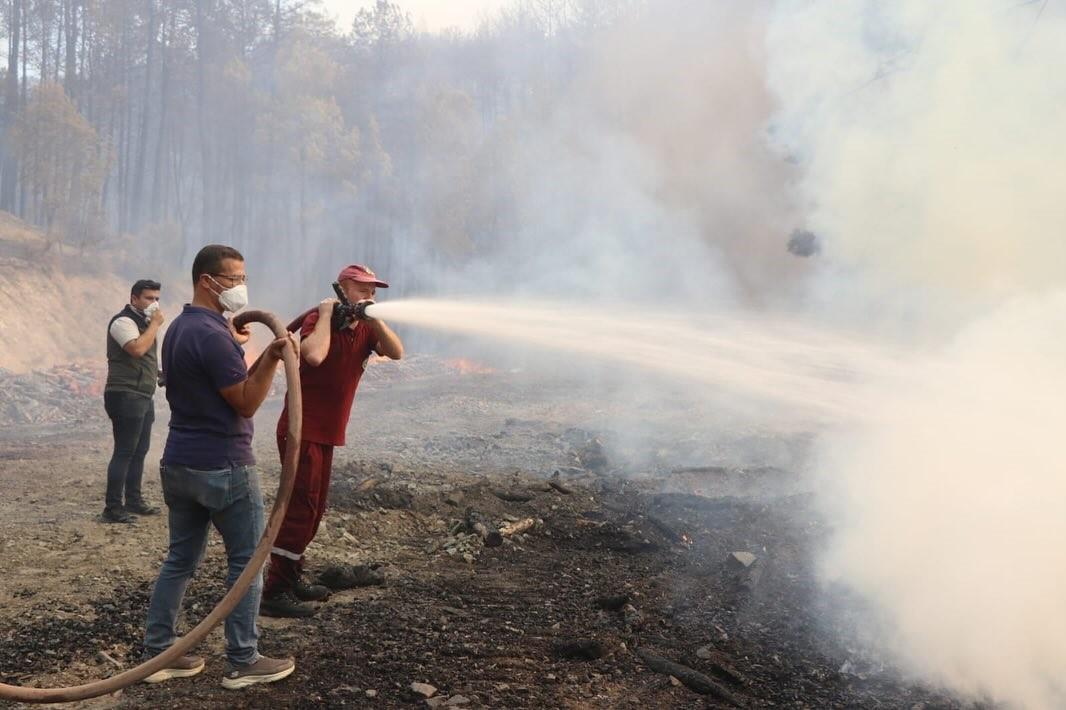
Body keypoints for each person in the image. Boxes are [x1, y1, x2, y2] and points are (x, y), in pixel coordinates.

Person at [141, 244, 297, 689]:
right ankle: (243, 659)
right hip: (224, 466)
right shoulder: (213, 337)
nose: (241, 287)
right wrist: (269, 358)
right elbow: (245, 402)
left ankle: (159, 652)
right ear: (207, 281)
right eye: (234, 279)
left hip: (180, 463)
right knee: (247, 561)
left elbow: (204, 373)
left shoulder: (182, 329)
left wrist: (235, 345)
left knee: (181, 559)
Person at [260, 263, 403, 618]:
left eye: (374, 290)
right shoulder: (317, 322)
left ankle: (291, 578)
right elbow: (313, 355)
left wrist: (375, 318)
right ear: (342, 288)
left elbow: (397, 352)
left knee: (313, 509)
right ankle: (274, 591)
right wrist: (325, 314)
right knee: (299, 509)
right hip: (300, 430)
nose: (370, 295)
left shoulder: (367, 329)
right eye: (363, 289)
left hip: (326, 432)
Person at [103, 279, 164, 524]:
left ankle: (134, 500)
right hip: (125, 394)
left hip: (142, 394)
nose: (154, 303)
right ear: (134, 298)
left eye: (157, 298)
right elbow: (137, 350)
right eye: (149, 298)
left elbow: (144, 359)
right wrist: (156, 325)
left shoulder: (145, 323)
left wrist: (158, 374)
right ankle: (112, 508)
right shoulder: (123, 322)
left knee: (140, 451)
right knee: (125, 451)